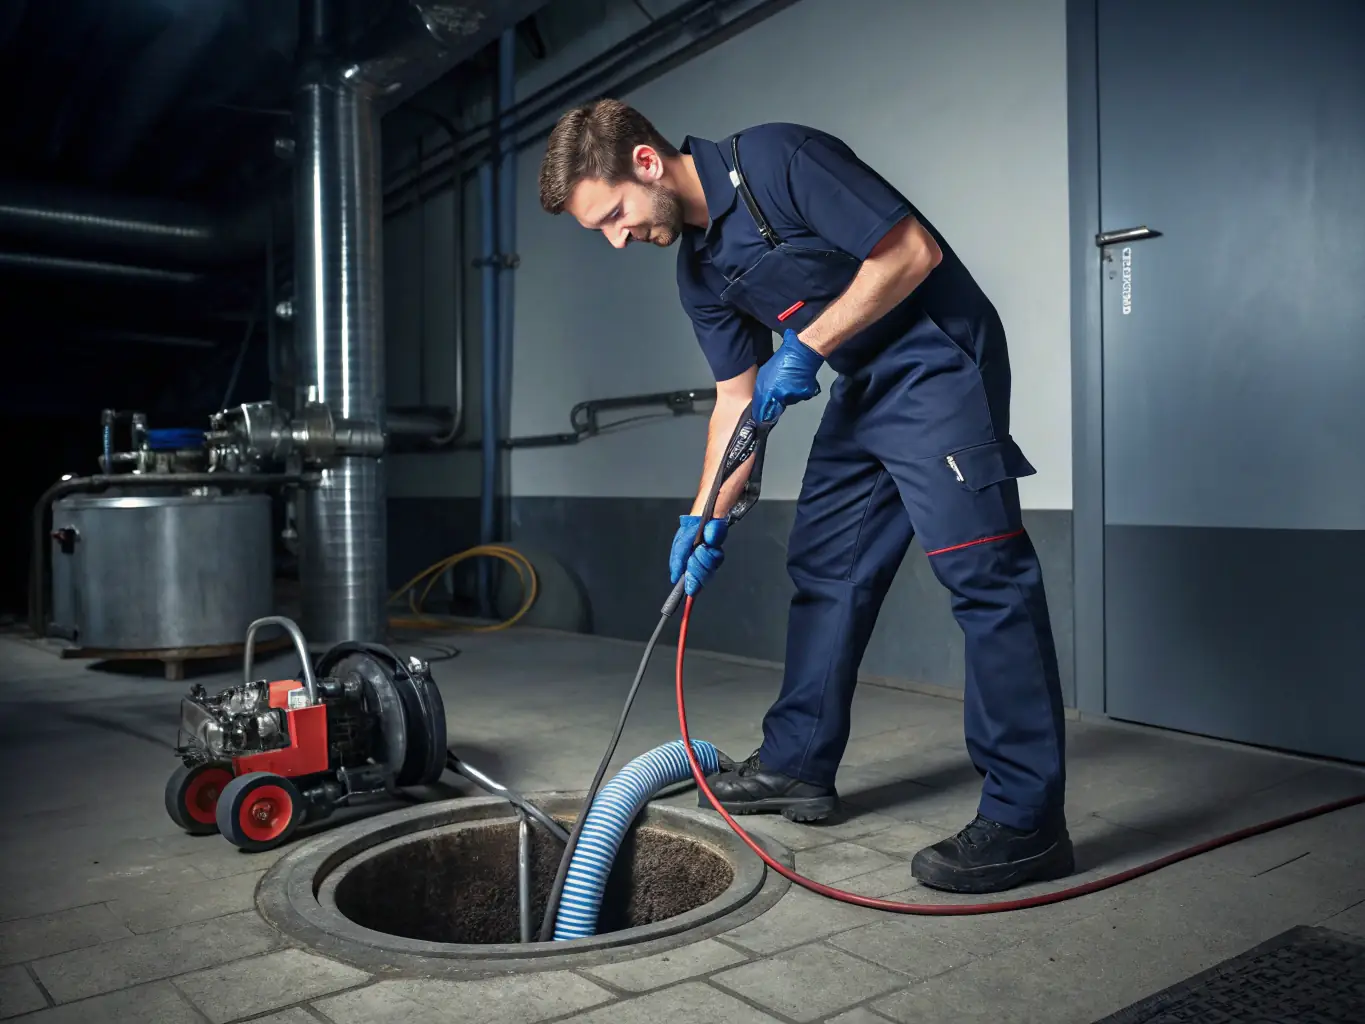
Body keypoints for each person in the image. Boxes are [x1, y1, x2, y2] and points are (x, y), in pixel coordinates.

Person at [537, 98, 1071, 895]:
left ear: (646, 163)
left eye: (613, 215)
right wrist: (702, 516)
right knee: (825, 565)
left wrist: (809, 345)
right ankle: (797, 764)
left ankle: (1027, 820)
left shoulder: (778, 162)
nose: (617, 239)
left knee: (984, 577)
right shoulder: (700, 270)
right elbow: (732, 402)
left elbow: (910, 252)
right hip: (864, 385)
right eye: (600, 230)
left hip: (935, 360)